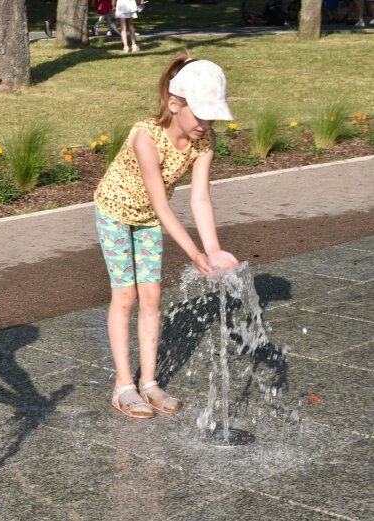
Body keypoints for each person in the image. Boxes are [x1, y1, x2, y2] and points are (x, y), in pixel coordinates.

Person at [93, 54, 238, 419]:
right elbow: (161, 203)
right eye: (199, 114)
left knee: (153, 296)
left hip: (148, 220)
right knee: (125, 296)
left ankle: (150, 383)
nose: (205, 124)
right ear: (174, 104)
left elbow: (200, 197)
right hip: (114, 212)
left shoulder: (204, 142)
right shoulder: (146, 137)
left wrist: (213, 249)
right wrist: (194, 254)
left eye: (212, 115)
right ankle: (124, 385)